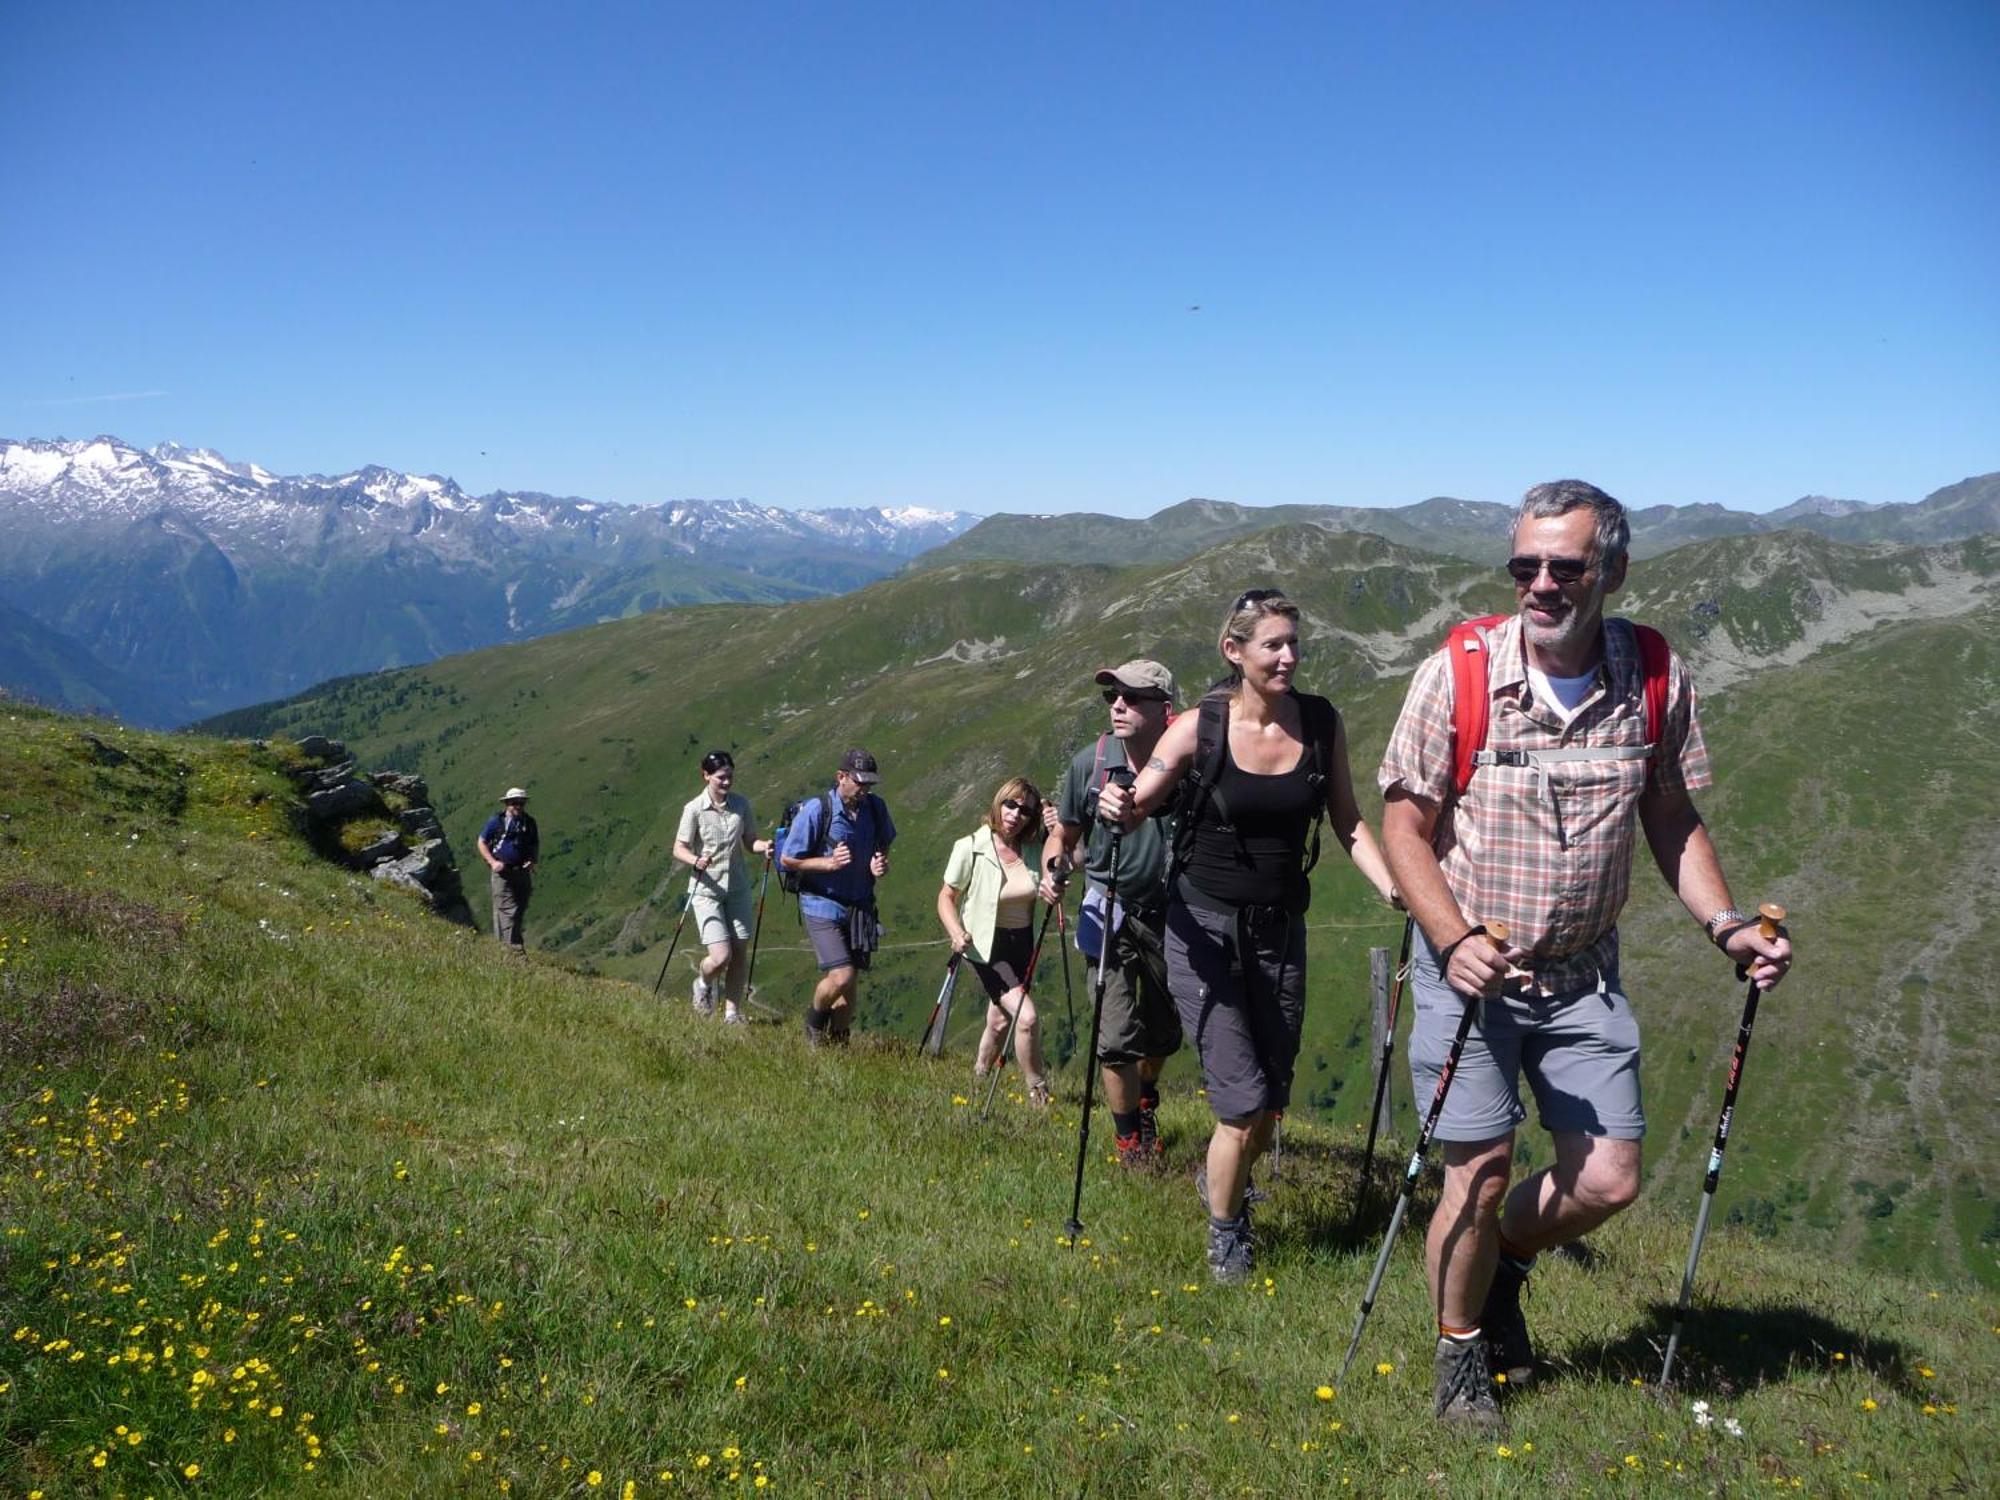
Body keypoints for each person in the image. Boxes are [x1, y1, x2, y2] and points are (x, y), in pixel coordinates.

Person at [1377, 479, 1794, 1432]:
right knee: (1476, 1175)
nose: (1542, 584)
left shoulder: (1650, 672)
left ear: (1613, 570)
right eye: (1525, 565)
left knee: (1609, 1179)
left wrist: (1727, 925)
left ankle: (1503, 1270)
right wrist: (1451, 936)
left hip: (1581, 974)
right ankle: (1459, 1353)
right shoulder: (1462, 673)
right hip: (1470, 970)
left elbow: (1671, 814)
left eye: (1566, 567)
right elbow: (1406, 827)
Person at [1099, 595, 1395, 1285]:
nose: (1289, 656)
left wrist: (1394, 886)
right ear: (1235, 652)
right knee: (1238, 1102)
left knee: (1270, 1101)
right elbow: (1141, 800)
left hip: (1279, 932)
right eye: (1274, 646)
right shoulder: (1200, 728)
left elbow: (1349, 821)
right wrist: (1118, 804)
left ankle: (1220, 1185)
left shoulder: (1319, 723)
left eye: (1294, 643)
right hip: (1202, 930)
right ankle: (1227, 1235)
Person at [1041, 660, 1183, 1171]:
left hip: (1171, 914)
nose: (1118, 705)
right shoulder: (1091, 762)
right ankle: (1131, 1144)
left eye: (1132, 697)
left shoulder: (1187, 762)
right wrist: (1053, 866)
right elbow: (1065, 836)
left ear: (1165, 709)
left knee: (1167, 1029)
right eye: (1112, 697)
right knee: (1116, 1033)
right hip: (1109, 905)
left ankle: (1144, 1096)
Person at [938, 777, 1050, 1104]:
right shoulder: (970, 846)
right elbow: (946, 896)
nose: (1015, 814)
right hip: (986, 948)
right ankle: (1038, 1092)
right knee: (1026, 1017)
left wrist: (1057, 832)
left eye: (1025, 810)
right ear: (998, 803)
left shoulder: (1033, 850)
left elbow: (1074, 861)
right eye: (1010, 804)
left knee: (1000, 1018)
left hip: (1022, 947)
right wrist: (956, 932)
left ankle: (979, 1074)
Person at [780, 748, 896, 1046]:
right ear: (840, 777)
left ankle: (839, 1043)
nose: (864, 789)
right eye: (859, 782)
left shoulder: (875, 808)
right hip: (821, 901)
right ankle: (814, 1022)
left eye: (869, 784)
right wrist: (826, 864)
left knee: (851, 979)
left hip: (860, 902)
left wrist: (879, 862)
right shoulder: (818, 810)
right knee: (842, 975)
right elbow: (788, 860)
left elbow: (884, 843)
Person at [672, 750, 774, 1025]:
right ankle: (703, 982)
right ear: (706, 776)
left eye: (729, 776)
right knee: (720, 956)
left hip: (737, 887)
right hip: (706, 890)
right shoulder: (693, 809)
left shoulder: (741, 805)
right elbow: (678, 848)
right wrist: (696, 860)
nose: (727, 782)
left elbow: (749, 841)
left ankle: (732, 1014)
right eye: (720, 778)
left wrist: (763, 846)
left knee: (740, 949)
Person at [477, 787, 539, 951]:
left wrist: (532, 860)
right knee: (508, 910)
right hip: (502, 873)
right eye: (514, 803)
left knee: (518, 909)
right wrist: (492, 862)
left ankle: (503, 946)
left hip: (522, 872)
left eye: (521, 803)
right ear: (507, 804)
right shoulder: (496, 822)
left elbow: (534, 844)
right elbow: (482, 842)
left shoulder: (529, 823)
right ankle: (516, 952)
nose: (518, 806)